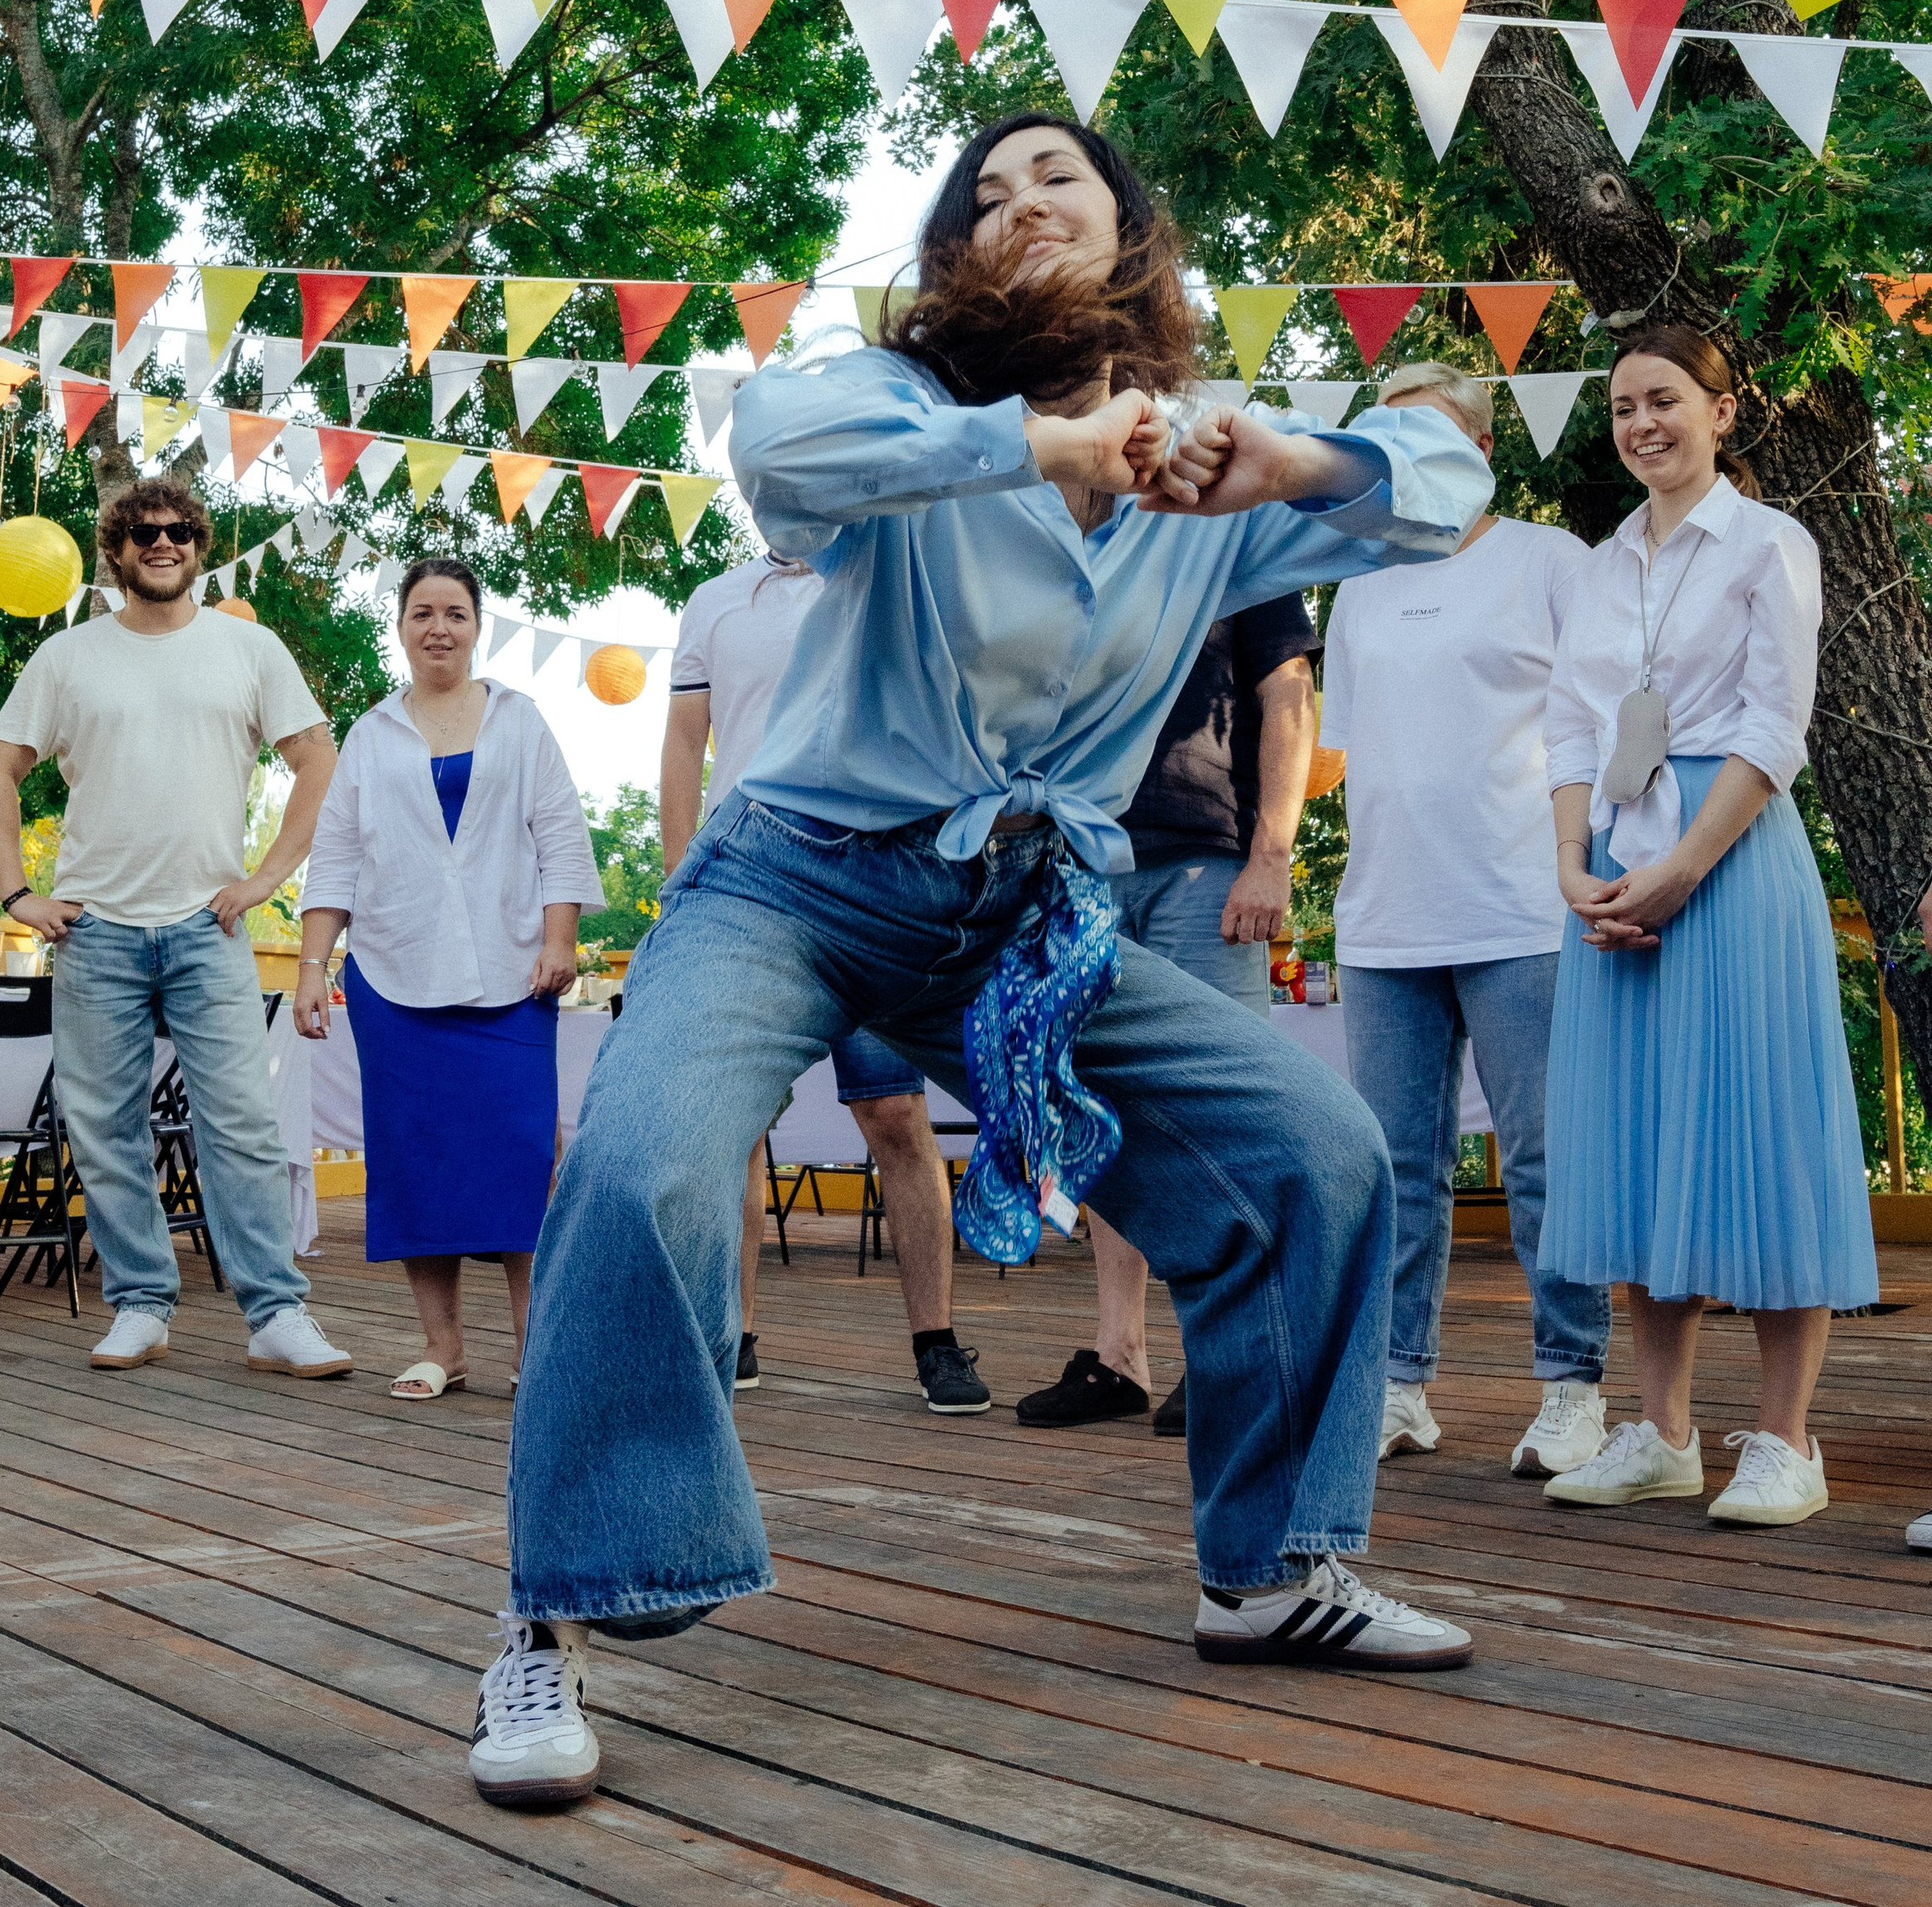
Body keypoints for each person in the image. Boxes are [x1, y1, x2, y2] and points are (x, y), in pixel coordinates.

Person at [467, 114, 1496, 1813]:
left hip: (1014, 921)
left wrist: (1284, 470)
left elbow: (1445, 479)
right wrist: (1044, 445)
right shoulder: (916, 421)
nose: (1015, 202)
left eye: (1057, 182)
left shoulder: (1210, 482)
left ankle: (1267, 1572)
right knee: (642, 1169)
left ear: (1129, 232)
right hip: (794, 877)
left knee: (1310, 1152)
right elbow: (778, 436)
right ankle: (550, 1616)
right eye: (983, 193)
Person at [1536, 324, 1876, 1528]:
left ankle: (1787, 1440)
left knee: (1765, 1129)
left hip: (1727, 860)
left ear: (1722, 412)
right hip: (1620, 863)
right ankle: (1660, 1430)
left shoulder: (1770, 545)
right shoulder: (1595, 566)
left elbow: (1775, 730)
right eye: (1624, 405)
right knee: (1636, 1140)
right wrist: (1576, 865)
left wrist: (1681, 870)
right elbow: (1573, 730)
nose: (1643, 424)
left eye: (1666, 400)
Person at [0, 477, 353, 1378]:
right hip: (93, 928)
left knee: (244, 1127)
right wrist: (15, 894)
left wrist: (265, 876)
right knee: (103, 1126)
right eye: (143, 532)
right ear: (115, 550)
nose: (163, 542)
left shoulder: (249, 649)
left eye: (179, 530)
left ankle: (276, 1315)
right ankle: (141, 1302)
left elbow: (317, 759)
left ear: (199, 544)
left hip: (205, 926)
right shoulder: (68, 657)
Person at [1321, 358, 1610, 1480]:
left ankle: (1572, 1384)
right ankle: (1399, 1385)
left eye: (1433, 434)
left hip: (1525, 905)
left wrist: (1595, 867)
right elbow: (1351, 753)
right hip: (1386, 913)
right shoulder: (1355, 580)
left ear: (1483, 450)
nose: (1410, 454)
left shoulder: (1549, 560)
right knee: (1393, 1167)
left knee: (1546, 1159)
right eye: (1390, 436)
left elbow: (1603, 727)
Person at [664, 549, 991, 1417]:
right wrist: (677, 881)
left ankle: (936, 1340)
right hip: (746, 889)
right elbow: (683, 744)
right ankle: (731, 1335)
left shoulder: (892, 572)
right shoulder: (714, 599)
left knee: (894, 1114)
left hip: (871, 883)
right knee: (731, 1127)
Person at [295, 557, 602, 1398]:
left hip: (512, 975)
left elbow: (561, 838)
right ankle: (442, 1346)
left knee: (521, 1154)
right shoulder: (370, 733)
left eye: (456, 613)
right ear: (400, 625)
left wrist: (559, 939)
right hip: (394, 980)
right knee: (415, 1158)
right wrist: (313, 967)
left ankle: (538, 1350)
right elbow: (338, 861)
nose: (439, 627)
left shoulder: (520, 719)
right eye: (423, 612)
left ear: (478, 626)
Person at [1016, 589, 1317, 1436]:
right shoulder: (1071, 547)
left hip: (1205, 862)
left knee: (1230, 1118)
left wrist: (1271, 855)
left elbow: (1288, 692)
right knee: (1102, 1113)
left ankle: (1231, 1356)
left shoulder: (1234, 536)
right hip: (1077, 868)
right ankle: (1121, 1357)